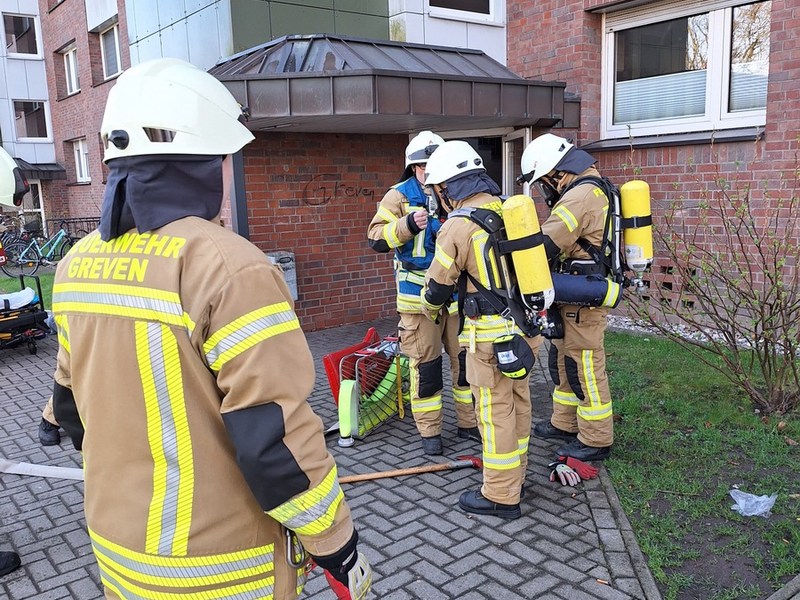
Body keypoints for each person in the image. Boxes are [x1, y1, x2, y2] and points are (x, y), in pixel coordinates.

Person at [49, 58, 371, 600]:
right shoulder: (229, 265)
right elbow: (274, 439)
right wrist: (335, 541)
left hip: (117, 555)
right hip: (219, 569)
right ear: (198, 162)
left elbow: (67, 406)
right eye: (225, 158)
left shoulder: (76, 264)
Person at [420, 140, 544, 520]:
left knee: (494, 414)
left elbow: (438, 287)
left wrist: (428, 308)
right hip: (526, 331)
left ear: (447, 188)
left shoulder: (457, 226)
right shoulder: (510, 209)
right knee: (520, 404)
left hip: (489, 341)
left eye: (436, 190)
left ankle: (501, 494)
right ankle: (517, 476)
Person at [367, 131, 479, 456]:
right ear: (412, 167)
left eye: (435, 166)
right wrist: (406, 226)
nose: (429, 174)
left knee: (464, 364)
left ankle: (468, 424)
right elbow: (375, 237)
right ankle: (430, 433)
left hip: (456, 298)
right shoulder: (398, 195)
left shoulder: (455, 193)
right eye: (423, 167)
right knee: (426, 368)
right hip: (418, 304)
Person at [520, 133, 614, 462]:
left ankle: (596, 439)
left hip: (582, 298)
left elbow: (547, 243)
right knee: (562, 361)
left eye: (542, 183)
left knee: (584, 366)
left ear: (557, 173)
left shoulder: (580, 196)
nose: (543, 191)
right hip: (572, 294)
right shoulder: (585, 188)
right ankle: (565, 422)